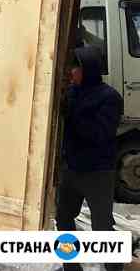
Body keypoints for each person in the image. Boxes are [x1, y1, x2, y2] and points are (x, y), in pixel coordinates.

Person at [56, 46, 124, 271]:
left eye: (75, 67)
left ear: (88, 69)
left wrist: (73, 114)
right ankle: (71, 266)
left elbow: (100, 134)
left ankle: (114, 266)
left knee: (102, 226)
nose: (70, 72)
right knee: (64, 219)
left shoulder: (110, 97)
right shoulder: (72, 93)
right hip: (71, 169)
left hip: (97, 172)